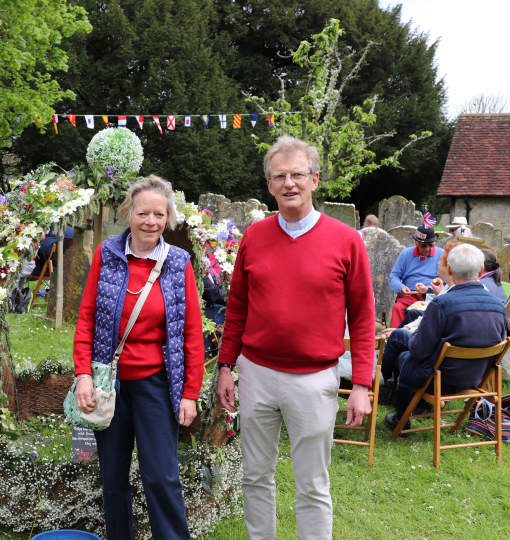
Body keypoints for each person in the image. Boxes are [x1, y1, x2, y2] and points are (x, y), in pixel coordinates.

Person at [215, 135, 376, 540]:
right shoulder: (254, 236)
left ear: (315, 179)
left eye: (297, 175)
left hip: (315, 378)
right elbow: (237, 308)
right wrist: (225, 367)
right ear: (269, 185)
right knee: (255, 476)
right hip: (256, 375)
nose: (289, 184)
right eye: (279, 176)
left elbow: (361, 317)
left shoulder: (346, 240)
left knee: (313, 484)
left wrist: (360, 384)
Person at [73, 175, 205, 540]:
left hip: (156, 386)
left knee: (161, 476)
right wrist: (83, 374)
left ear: (168, 218)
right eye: (143, 213)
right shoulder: (107, 254)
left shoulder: (178, 263)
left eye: (159, 215)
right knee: (113, 477)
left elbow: (192, 333)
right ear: (128, 213)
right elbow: (86, 318)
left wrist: (190, 393)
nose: (151, 221)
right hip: (107, 385)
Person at [381, 244, 508, 435]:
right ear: (481, 270)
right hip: (475, 379)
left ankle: (401, 416)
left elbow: (418, 351)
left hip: (438, 379)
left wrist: (415, 334)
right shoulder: (499, 307)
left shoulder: (441, 303)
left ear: (449, 269)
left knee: (405, 356)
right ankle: (409, 406)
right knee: (406, 344)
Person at [387, 224, 442, 328]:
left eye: (431, 245)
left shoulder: (441, 254)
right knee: (398, 307)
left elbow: (447, 280)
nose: (427, 249)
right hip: (409, 296)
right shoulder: (406, 254)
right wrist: (401, 287)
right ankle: (395, 338)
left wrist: (428, 289)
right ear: (416, 242)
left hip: (430, 297)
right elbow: (394, 276)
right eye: (424, 245)